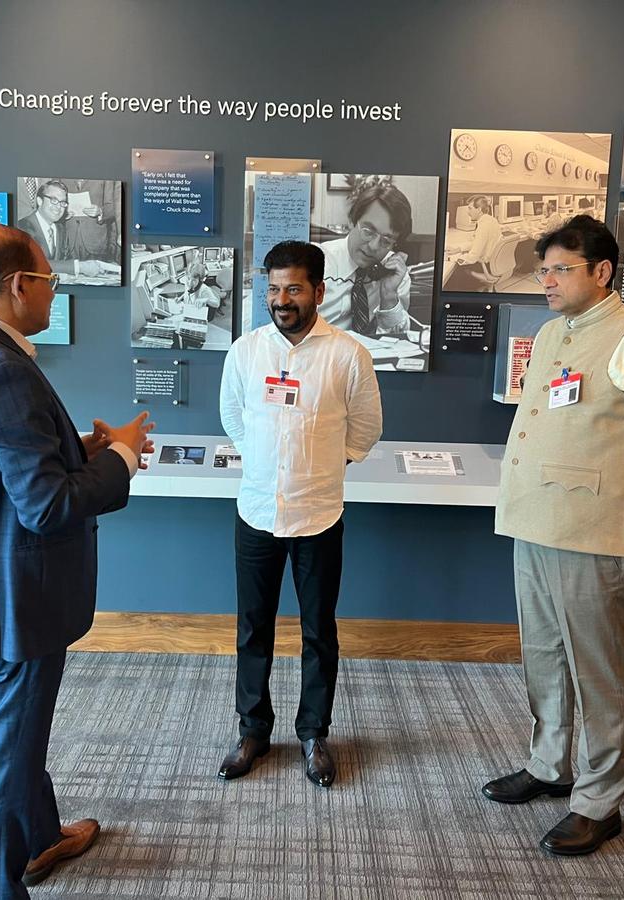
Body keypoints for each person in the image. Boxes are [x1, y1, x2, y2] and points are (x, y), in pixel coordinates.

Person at [0, 223, 155, 899]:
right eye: (50, 281)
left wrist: (76, 446)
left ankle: (41, 839)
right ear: (19, 286)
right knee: (6, 750)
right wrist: (124, 454)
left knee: (17, 732)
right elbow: (47, 507)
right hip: (10, 601)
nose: (54, 293)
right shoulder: (2, 370)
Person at [488, 215, 624, 856]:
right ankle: (551, 766)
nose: (545, 279)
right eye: (543, 268)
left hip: (596, 531)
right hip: (534, 522)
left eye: (560, 269)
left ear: (601, 272)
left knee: (599, 671)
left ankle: (601, 799)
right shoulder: (551, 332)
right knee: (544, 657)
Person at [217, 240, 382, 788]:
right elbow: (232, 417)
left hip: (318, 514)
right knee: (252, 628)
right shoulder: (246, 351)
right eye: (273, 288)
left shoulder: (347, 354)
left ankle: (314, 733)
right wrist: (269, 463)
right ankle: (253, 730)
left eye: (293, 288)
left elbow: (366, 428)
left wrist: (321, 465)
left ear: (318, 290)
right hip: (257, 510)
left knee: (318, 631)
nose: (281, 299)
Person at [319, 182, 413, 337]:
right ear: (352, 221)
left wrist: (389, 296)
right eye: (368, 231)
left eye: (386, 240)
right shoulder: (316, 262)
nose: (374, 246)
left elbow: (399, 339)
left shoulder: (395, 273)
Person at [443, 196, 503, 291]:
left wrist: (450, 258)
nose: (468, 212)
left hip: (485, 265)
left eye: (470, 208)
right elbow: (476, 242)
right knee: (460, 260)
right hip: (494, 263)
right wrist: (459, 249)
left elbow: (473, 257)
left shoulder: (483, 226)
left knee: (455, 270)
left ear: (479, 209)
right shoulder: (491, 220)